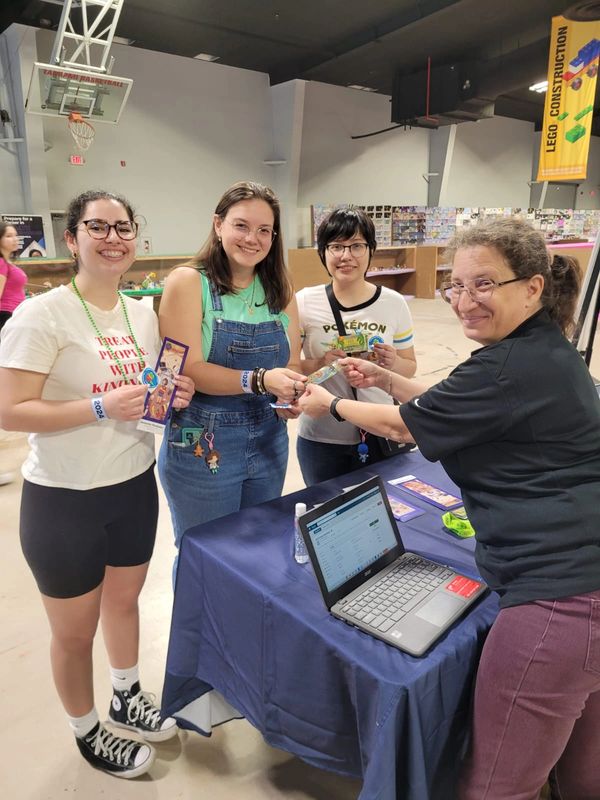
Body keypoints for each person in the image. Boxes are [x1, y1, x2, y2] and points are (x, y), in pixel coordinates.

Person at [298, 218, 600, 800]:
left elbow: (398, 425)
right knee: (581, 769)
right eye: (455, 285)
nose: (464, 301)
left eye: (483, 284)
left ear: (532, 287)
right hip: (586, 587)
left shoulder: (506, 366)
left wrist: (330, 402)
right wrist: (387, 376)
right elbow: (449, 404)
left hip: (561, 598)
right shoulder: (536, 352)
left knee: (496, 783)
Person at [0, 190, 195, 779]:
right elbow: (10, 411)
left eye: (123, 227)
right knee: (73, 630)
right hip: (64, 499)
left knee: (124, 602)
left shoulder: (142, 311)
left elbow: (144, 390)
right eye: (98, 226)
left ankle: (125, 693)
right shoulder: (42, 313)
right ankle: (86, 727)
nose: (113, 238)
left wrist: (170, 396)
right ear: (71, 237)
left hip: (133, 484)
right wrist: (99, 406)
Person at [157, 181, 305, 555]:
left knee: (258, 553)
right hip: (203, 442)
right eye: (241, 225)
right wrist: (259, 379)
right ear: (218, 224)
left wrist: (290, 397)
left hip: (270, 439)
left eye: (264, 230)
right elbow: (186, 368)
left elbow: (290, 361)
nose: (252, 238)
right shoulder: (190, 282)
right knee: (206, 556)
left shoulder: (279, 290)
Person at [296, 207, 416, 485]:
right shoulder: (304, 302)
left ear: (370, 250)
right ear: (323, 252)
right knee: (323, 519)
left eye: (357, 246)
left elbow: (409, 368)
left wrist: (390, 363)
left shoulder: (394, 303)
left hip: (381, 430)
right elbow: (291, 368)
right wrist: (320, 363)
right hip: (322, 438)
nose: (346, 256)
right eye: (336, 246)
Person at [0, 221, 27, 332]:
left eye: (16, 235)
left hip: (15, 314)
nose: (15, 239)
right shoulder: (1, 263)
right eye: (9, 236)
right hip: (6, 315)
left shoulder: (7, 263)